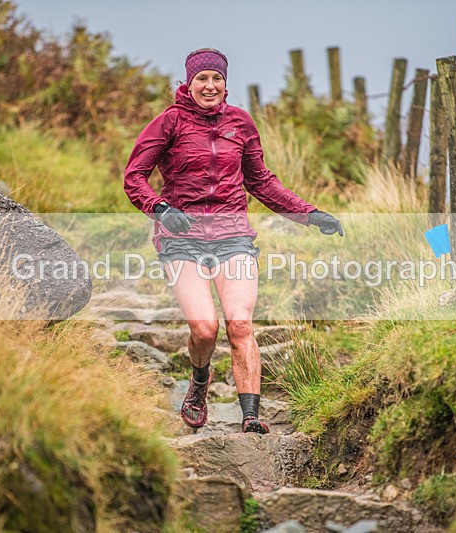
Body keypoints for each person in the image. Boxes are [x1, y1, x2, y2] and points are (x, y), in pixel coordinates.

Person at [124, 48, 343, 434]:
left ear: (226, 84)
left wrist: (309, 214)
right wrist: (160, 209)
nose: (210, 86)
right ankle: (200, 380)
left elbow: (261, 182)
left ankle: (250, 415)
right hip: (182, 238)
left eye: (217, 79)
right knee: (205, 329)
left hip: (233, 236)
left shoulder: (240, 123)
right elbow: (134, 177)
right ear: (188, 84)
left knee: (240, 324)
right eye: (202, 79)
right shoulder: (169, 123)